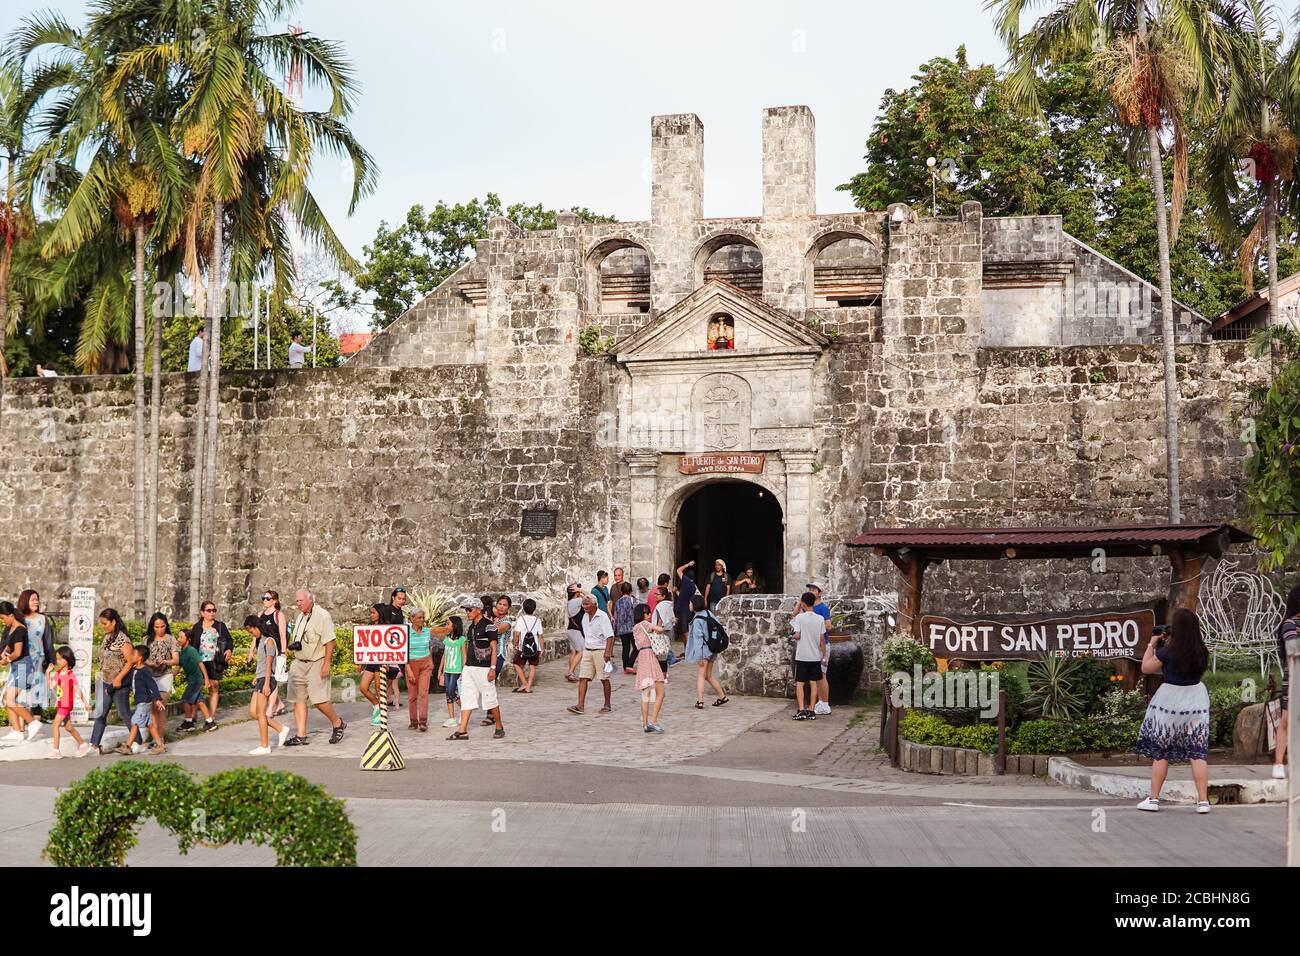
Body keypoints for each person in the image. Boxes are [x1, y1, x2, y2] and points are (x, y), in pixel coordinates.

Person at [1135, 609, 1212, 814]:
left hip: (1170, 700)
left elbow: (1146, 668)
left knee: (1161, 752)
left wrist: (1153, 643)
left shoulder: (1168, 651)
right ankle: (1203, 801)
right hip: (1196, 699)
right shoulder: (1202, 651)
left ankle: (1153, 799)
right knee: (1197, 752)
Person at [283, 590, 346, 747]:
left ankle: (337, 723)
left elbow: (330, 641)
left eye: (301, 601)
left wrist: (327, 663)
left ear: (311, 600)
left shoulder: (322, 615)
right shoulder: (300, 616)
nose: (298, 604)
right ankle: (301, 735)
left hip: (316, 661)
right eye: (296, 601)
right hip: (299, 661)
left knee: (319, 700)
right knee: (298, 698)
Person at [449, 600, 504, 740]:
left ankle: (499, 726)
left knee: (490, 698)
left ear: (479, 610)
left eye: (470, 610)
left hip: (484, 668)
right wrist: (464, 667)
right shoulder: (471, 627)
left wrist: (492, 668)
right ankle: (462, 731)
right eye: (466, 610)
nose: (467, 612)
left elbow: (493, 647)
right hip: (470, 667)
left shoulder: (489, 626)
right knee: (467, 697)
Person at [88, 608, 133, 753]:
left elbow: (130, 661)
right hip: (104, 680)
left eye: (105, 623)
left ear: (113, 622)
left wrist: (119, 678)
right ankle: (94, 745)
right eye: (101, 623)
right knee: (100, 713)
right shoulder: (107, 637)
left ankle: (137, 741)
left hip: (119, 683)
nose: (103, 626)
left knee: (123, 714)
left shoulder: (123, 639)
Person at [245, 616, 289, 755]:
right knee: (253, 712)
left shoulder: (269, 641)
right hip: (261, 678)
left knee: (260, 713)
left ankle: (265, 745)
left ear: (257, 626)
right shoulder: (261, 641)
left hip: (267, 679)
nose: (252, 634)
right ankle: (281, 729)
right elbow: (262, 663)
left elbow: (270, 664)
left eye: (251, 631)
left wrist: (267, 684)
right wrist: (256, 677)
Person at [567, 594, 614, 716]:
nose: (584, 606)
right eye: (583, 604)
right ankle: (580, 705)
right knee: (583, 677)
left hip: (600, 650)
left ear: (594, 604)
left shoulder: (602, 616)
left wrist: (608, 652)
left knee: (604, 678)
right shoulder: (584, 617)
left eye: (587, 604)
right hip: (588, 650)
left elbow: (610, 635)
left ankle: (607, 704)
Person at [114, 645, 165, 756]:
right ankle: (160, 745)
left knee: (134, 722)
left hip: (144, 702)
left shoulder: (145, 671)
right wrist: (111, 688)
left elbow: (153, 685)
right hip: (141, 702)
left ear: (140, 657)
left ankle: (127, 746)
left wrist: (157, 699)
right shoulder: (134, 670)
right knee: (150, 725)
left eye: (133, 654)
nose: (131, 656)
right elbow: (125, 681)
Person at [0, 601, 40, 740]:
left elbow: (17, 653)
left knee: (10, 700)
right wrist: (4, 657)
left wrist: (7, 659)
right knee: (7, 699)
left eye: (3, 618)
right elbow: (8, 649)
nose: (3, 621)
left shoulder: (20, 629)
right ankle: (17, 731)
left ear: (10, 615)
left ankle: (33, 722)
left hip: (23, 667)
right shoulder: (11, 629)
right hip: (17, 667)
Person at [1272, 584, 1300, 779]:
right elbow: (1293, 653)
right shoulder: (1290, 624)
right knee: (1286, 721)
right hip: (1294, 678)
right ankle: (1278, 764)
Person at [44, 647, 90, 758]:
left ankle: (56, 751)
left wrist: (85, 703)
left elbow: (78, 689)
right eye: (57, 659)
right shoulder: (59, 673)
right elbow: (51, 686)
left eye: (60, 659)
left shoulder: (70, 675)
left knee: (55, 724)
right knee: (68, 727)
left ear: (67, 659)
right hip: (61, 704)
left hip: (66, 704)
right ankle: (83, 744)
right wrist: (47, 673)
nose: (58, 661)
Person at [685, 594, 729, 709]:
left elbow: (698, 640)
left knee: (701, 676)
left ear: (694, 605)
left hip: (704, 651)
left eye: (690, 602)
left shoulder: (697, 620)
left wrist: (699, 657)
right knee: (708, 676)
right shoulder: (709, 613)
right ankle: (722, 696)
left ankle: (700, 701)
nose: (689, 604)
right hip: (712, 649)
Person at [789, 592, 828, 721]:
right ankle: (811, 709)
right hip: (815, 656)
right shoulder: (820, 619)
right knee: (814, 683)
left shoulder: (800, 618)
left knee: (800, 683)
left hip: (802, 656)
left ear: (803, 604)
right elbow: (822, 639)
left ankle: (801, 710)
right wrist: (824, 655)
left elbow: (798, 635)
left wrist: (793, 635)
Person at [194, 601, 233, 724]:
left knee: (214, 687)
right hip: (200, 661)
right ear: (202, 612)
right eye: (208, 610)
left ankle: (211, 715)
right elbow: (193, 644)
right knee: (197, 687)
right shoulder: (197, 627)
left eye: (213, 610)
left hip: (215, 661)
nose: (211, 613)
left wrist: (229, 650)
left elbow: (229, 640)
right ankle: (192, 715)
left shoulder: (220, 626)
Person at [359, 604, 398, 726]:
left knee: (378, 689)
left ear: (380, 614)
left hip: (381, 661)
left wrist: (386, 661)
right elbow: (365, 645)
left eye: (373, 613)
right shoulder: (370, 627)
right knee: (363, 687)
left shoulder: (386, 627)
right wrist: (361, 662)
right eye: (370, 613)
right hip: (371, 661)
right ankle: (377, 706)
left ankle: (381, 715)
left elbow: (389, 645)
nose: (371, 615)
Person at [632, 603, 667, 733]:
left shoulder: (636, 627)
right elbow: (660, 629)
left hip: (642, 657)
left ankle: (645, 723)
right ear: (643, 614)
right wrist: (661, 623)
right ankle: (654, 720)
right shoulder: (645, 624)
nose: (649, 615)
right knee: (661, 692)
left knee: (646, 694)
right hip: (650, 657)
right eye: (647, 613)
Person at [18, 590, 55, 711]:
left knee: (37, 690)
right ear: (25, 601)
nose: (36, 602)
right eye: (33, 599)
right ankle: (21, 727)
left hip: (39, 660)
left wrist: (51, 660)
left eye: (37, 599)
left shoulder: (43, 619)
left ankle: (36, 724)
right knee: (21, 690)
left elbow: (48, 641)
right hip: (22, 659)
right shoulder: (19, 618)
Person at [144, 612, 178, 741]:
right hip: (150, 676)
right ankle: (155, 738)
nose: (159, 629)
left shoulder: (171, 639)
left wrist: (165, 662)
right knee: (153, 707)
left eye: (162, 626)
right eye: (156, 627)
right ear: (152, 626)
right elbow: (143, 657)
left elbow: (176, 660)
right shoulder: (147, 639)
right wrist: (151, 663)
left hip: (165, 675)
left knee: (161, 705)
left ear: (166, 625)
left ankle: (161, 737)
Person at [176, 629, 214, 732]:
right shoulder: (182, 652)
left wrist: (206, 679)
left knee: (186, 700)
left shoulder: (191, 650)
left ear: (188, 639)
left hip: (196, 681)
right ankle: (210, 722)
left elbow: (200, 663)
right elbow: (179, 666)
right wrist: (172, 676)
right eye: (178, 637)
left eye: (181, 637)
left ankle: (189, 723)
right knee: (200, 701)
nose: (178, 639)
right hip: (192, 681)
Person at [258, 590, 289, 718]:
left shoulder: (279, 615)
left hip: (275, 650)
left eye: (268, 598)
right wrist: (252, 650)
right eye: (263, 598)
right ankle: (279, 704)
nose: (265, 600)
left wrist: (283, 652)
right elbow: (257, 635)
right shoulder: (260, 615)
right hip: (263, 650)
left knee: (273, 678)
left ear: (274, 601)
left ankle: (270, 708)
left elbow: (282, 635)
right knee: (266, 676)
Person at [806, 583, 833, 716]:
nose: (811, 591)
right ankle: (820, 702)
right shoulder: (808, 608)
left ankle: (825, 704)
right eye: (810, 589)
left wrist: (815, 622)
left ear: (819, 593)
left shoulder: (823, 608)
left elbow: (829, 626)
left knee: (822, 675)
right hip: (812, 645)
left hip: (822, 645)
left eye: (814, 589)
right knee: (816, 675)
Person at [406, 606, 434, 730]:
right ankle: (413, 721)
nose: (422, 620)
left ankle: (423, 721)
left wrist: (431, 662)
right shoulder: (406, 633)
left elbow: (429, 647)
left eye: (423, 617)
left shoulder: (427, 631)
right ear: (412, 619)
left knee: (423, 693)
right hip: (411, 664)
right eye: (419, 618)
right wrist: (408, 670)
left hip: (426, 664)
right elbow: (404, 653)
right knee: (412, 695)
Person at [381, 587, 407, 708]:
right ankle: (383, 700)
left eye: (403, 599)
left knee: (392, 676)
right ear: (393, 598)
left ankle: (389, 699)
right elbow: (383, 629)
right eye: (399, 598)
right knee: (387, 676)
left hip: (397, 649)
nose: (401, 601)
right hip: (386, 648)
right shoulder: (387, 610)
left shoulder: (400, 612)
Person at [438, 615, 466, 729]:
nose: (446, 626)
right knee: (448, 694)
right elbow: (444, 655)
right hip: (447, 670)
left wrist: (464, 670)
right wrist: (440, 669)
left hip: (456, 670)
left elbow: (464, 656)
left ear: (455, 625)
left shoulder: (462, 640)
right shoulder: (446, 639)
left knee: (451, 691)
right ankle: (451, 718)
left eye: (448, 624)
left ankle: (465, 709)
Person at [511, 598, 543, 694]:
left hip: (522, 647)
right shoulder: (538, 620)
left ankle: (524, 683)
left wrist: (515, 644)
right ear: (534, 608)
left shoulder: (521, 619)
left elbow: (517, 634)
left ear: (524, 608)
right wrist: (542, 649)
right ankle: (528, 686)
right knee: (532, 666)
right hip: (535, 647)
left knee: (516, 663)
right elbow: (540, 636)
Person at [614, 581, 637, 674]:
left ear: (621, 591)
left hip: (622, 628)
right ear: (631, 591)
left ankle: (625, 667)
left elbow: (616, 616)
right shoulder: (632, 601)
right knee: (636, 647)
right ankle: (630, 665)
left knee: (625, 648)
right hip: (631, 627)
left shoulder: (617, 602)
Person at [564, 585, 585, 683]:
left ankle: (570, 672)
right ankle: (570, 672)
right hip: (575, 631)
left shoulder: (570, 602)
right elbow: (592, 599)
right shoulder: (577, 601)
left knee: (574, 652)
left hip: (570, 629)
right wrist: (581, 591)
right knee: (582, 651)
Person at [673, 561, 697, 642]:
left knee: (685, 631)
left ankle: (688, 651)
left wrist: (687, 564)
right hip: (686, 610)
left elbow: (678, 570)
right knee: (683, 632)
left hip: (684, 611)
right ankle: (686, 650)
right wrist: (676, 591)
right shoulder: (693, 586)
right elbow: (683, 597)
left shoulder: (686, 581)